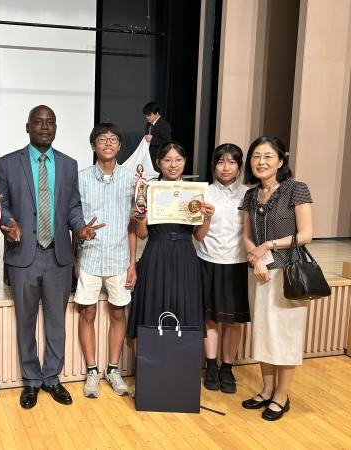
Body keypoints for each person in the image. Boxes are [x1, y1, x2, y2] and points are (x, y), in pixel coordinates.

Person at [0, 105, 102, 409]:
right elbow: (1, 203)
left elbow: (72, 207)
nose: (44, 127)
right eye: (38, 122)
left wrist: (80, 229)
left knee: (57, 323)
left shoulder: (68, 164)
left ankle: (52, 377)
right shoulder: (8, 162)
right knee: (25, 322)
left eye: (50, 122)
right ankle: (31, 380)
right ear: (27, 127)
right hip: (23, 254)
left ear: (55, 127)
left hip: (58, 256)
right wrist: (8, 224)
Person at [127, 142, 214, 391]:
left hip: (185, 255)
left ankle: (180, 376)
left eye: (178, 160)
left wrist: (207, 218)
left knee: (185, 310)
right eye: (167, 160)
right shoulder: (148, 189)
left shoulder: (194, 192)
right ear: (158, 163)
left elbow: (199, 236)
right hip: (156, 253)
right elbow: (142, 234)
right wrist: (141, 219)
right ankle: (151, 376)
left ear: (185, 163)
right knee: (153, 308)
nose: (173, 165)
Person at [239, 136, 313, 421]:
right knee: (263, 333)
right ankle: (267, 389)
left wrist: (268, 247)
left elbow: (305, 235)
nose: (261, 162)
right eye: (256, 156)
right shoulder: (251, 195)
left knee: (285, 335)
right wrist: (256, 258)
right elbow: (247, 236)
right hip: (260, 273)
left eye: (268, 156)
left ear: (281, 161)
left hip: (288, 272)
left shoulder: (296, 189)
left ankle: (282, 395)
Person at [75, 123, 137, 398]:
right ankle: (92, 371)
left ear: (120, 146)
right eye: (102, 139)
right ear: (93, 145)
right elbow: (74, 219)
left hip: (119, 257)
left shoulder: (132, 179)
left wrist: (132, 263)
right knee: (87, 313)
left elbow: (133, 226)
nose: (108, 143)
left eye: (113, 139)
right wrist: (76, 254)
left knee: (118, 313)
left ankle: (113, 369)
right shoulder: (81, 178)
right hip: (89, 257)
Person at [194, 144, 249, 394]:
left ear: (239, 166)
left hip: (238, 263)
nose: (226, 167)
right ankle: (211, 366)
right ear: (213, 165)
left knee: (234, 322)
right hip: (208, 260)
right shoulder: (203, 192)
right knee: (210, 319)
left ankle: (227, 367)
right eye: (220, 162)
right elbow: (197, 235)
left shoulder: (248, 194)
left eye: (232, 162)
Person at [142, 101, 172, 172]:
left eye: (149, 115)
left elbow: (168, 142)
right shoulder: (148, 124)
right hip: (149, 158)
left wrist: (152, 139)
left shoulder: (164, 125)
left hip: (159, 158)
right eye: (146, 115)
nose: (147, 117)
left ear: (157, 113)